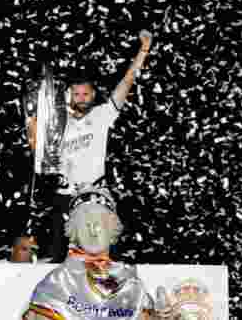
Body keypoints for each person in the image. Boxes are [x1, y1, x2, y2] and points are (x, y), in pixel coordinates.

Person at [26, 33, 152, 263]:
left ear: (93, 95)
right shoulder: (58, 123)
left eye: (85, 94)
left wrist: (143, 51)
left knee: (103, 253)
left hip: (96, 194)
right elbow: (39, 152)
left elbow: (127, 81)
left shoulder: (102, 114)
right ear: (69, 95)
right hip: (65, 195)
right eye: (76, 94)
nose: (81, 98)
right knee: (57, 256)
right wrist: (32, 127)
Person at [22, 186, 177, 320]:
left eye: (99, 224)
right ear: (74, 232)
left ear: (113, 230)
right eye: (85, 224)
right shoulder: (57, 283)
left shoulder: (131, 285)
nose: (92, 231)